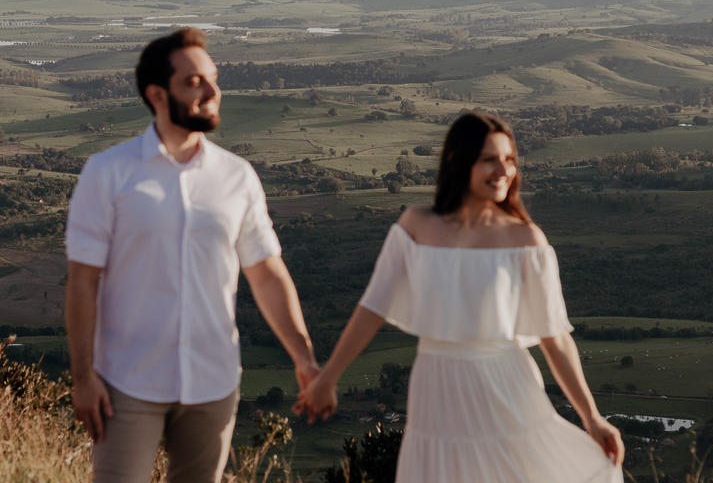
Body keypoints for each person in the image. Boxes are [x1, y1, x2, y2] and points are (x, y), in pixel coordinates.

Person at [295, 113, 624, 482]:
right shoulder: (416, 226)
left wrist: (592, 417)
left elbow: (555, 337)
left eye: (510, 159)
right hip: (436, 389)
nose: (503, 169)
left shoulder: (527, 239)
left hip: (507, 388)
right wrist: (327, 379)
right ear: (457, 160)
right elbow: (372, 309)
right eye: (489, 159)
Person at [65, 27, 319, 483]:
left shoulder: (237, 176)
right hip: (126, 382)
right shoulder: (107, 173)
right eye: (194, 82)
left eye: (213, 78)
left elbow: (265, 272)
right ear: (158, 95)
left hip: (213, 382)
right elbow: (83, 282)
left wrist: (303, 356)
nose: (213, 91)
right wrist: (83, 378)